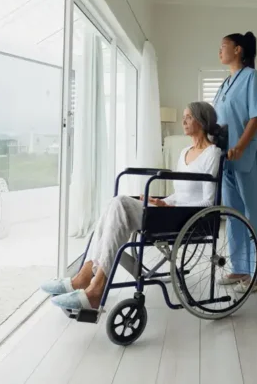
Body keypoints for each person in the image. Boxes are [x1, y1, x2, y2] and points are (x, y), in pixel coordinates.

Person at [41, 101, 225, 310]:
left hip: (188, 217)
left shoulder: (212, 153)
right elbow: (181, 193)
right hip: (171, 211)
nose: (183, 121)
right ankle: (86, 278)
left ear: (202, 121)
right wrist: (163, 201)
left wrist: (171, 208)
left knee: (119, 203)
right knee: (113, 205)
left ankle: (92, 286)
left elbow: (208, 202)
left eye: (189, 117)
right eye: (184, 116)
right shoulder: (184, 152)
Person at [214, 32, 257, 293]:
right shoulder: (224, 84)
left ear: (238, 49)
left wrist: (240, 145)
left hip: (247, 156)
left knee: (254, 214)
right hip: (226, 160)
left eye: (223, 46)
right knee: (234, 215)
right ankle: (240, 266)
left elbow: (256, 116)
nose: (219, 51)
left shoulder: (251, 77)